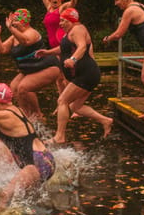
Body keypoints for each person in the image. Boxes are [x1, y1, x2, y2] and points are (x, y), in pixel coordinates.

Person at [36, 8, 113, 143]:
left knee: (62, 101)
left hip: (86, 74)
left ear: (72, 20)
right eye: (60, 20)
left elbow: (82, 47)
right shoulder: (69, 33)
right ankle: (106, 121)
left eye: (63, 20)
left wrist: (73, 59)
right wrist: (47, 53)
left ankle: (60, 136)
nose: (60, 23)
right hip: (84, 75)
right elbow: (63, 49)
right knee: (75, 107)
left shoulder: (78, 30)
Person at [0, 8, 61, 120]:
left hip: (48, 66)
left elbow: (25, 41)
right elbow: (2, 50)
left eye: (15, 21)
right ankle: (26, 115)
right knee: (14, 87)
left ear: (24, 21)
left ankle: (38, 115)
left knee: (24, 87)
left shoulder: (32, 33)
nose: (13, 24)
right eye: (13, 22)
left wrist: (10, 28)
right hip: (30, 69)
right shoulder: (14, 36)